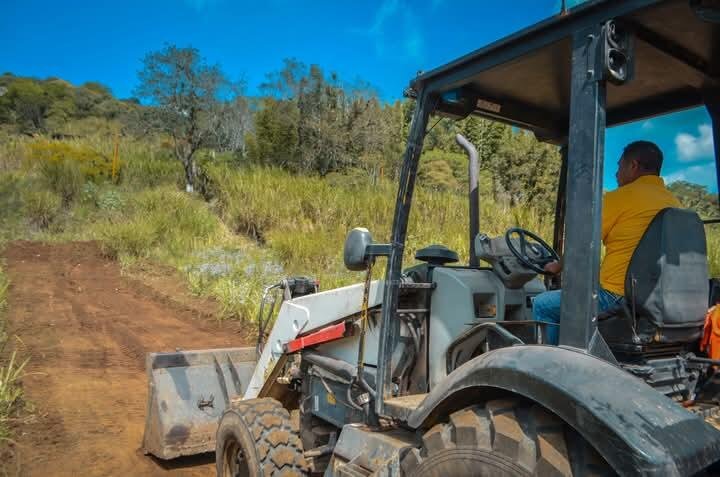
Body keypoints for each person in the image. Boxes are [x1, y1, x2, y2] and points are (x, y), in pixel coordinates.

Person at [533, 140, 681, 345]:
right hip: (660, 298)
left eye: (619, 166)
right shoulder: (675, 203)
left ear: (633, 166)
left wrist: (556, 267)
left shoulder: (621, 197)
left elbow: (581, 243)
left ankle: (550, 367)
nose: (616, 173)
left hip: (618, 296)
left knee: (542, 304)